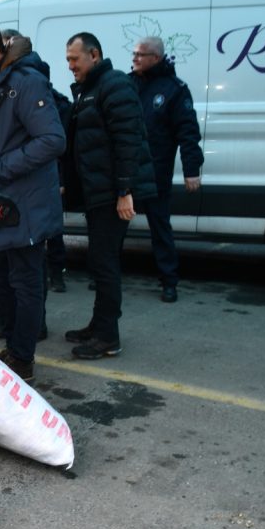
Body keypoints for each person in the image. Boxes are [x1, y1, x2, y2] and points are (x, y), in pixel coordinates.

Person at [0, 21, 66, 381]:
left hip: (25, 206)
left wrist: (2, 166)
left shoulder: (24, 83)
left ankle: (23, 358)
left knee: (26, 283)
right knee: (7, 280)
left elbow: (53, 139)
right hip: (2, 203)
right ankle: (17, 349)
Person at [63, 32, 157, 359]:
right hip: (98, 192)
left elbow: (127, 140)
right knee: (100, 262)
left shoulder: (114, 85)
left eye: (75, 59)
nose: (70, 66)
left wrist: (124, 191)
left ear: (95, 55)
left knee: (104, 264)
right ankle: (99, 325)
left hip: (110, 194)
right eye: (68, 60)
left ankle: (107, 337)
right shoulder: (90, 88)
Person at [129, 36, 204, 303]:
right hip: (127, 171)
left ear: (157, 58)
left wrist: (191, 168)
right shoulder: (129, 84)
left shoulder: (174, 90)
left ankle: (169, 281)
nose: (134, 58)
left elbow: (187, 132)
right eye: (134, 53)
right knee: (113, 228)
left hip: (156, 174)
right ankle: (107, 276)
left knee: (160, 228)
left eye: (141, 54)